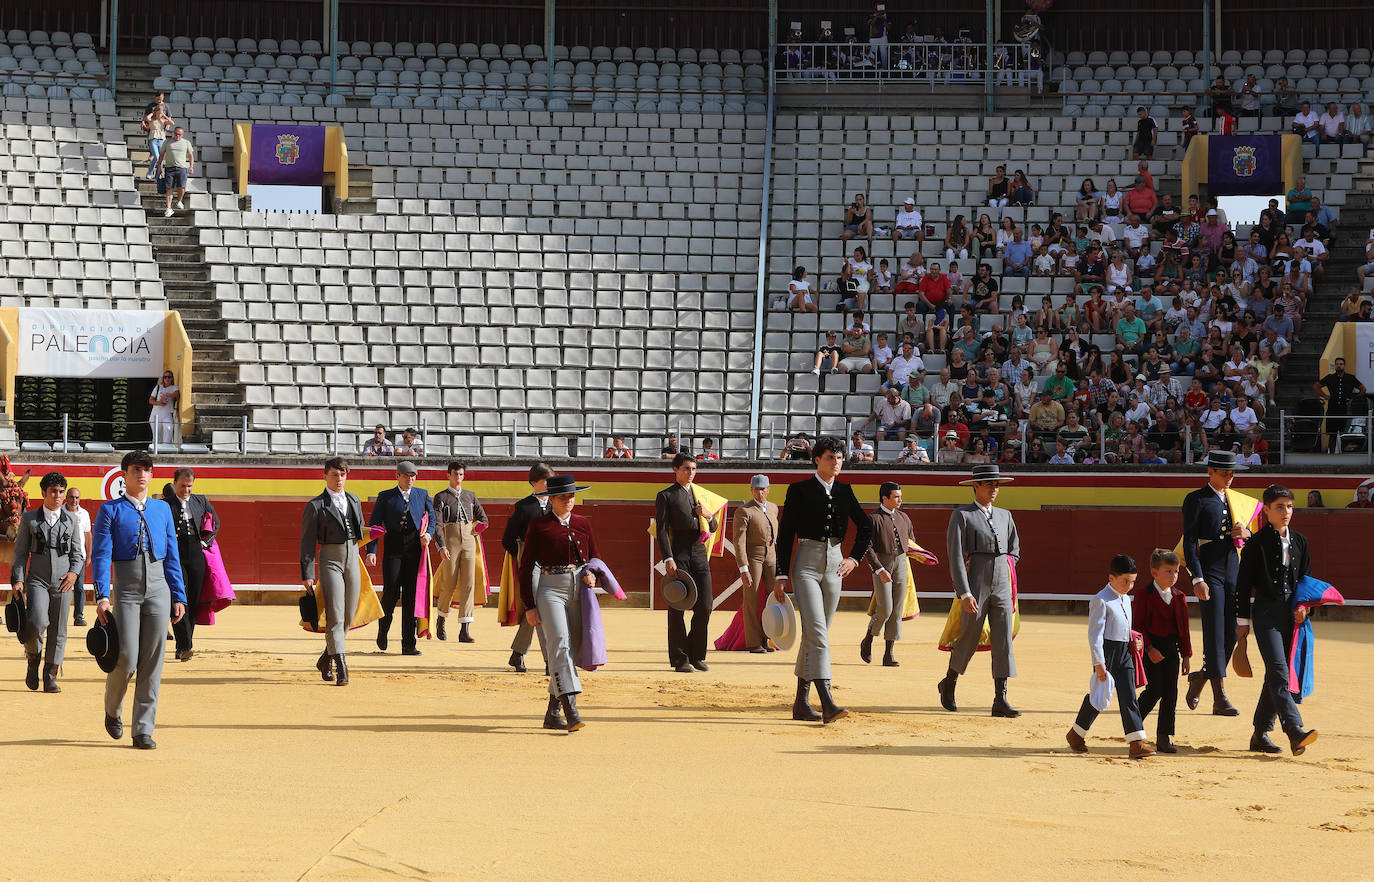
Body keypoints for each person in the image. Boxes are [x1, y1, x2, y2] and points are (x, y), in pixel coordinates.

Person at [92, 451, 187, 750]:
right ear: (124, 475)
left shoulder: (162, 510)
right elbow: (101, 554)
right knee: (127, 657)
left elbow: (172, 554)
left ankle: (143, 729)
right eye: (136, 470)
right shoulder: (110, 510)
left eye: (146, 470)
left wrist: (178, 595)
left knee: (153, 660)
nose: (142, 474)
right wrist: (102, 596)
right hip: (127, 589)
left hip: (159, 588)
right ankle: (112, 710)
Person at [774, 436, 873, 724]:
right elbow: (786, 534)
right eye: (831, 457)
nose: (836, 462)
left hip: (834, 565)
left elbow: (865, 526)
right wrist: (781, 574)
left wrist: (854, 558)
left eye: (840, 457)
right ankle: (827, 701)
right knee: (817, 631)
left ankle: (801, 704)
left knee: (817, 635)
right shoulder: (799, 490)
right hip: (805, 563)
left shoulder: (844, 490)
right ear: (817, 459)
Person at [1236, 485, 1319, 756]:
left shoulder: (1301, 541)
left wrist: (1306, 609)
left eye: (1290, 506)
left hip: (1290, 616)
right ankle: (1295, 731)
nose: (1286, 512)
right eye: (1280, 507)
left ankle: (1260, 734)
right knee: (1280, 674)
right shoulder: (1256, 544)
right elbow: (1242, 586)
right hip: (1266, 615)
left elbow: (1305, 582)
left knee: (1274, 675)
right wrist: (1242, 622)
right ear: (1267, 510)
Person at [518, 474, 601, 732]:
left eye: (571, 496)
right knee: (559, 643)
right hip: (549, 589)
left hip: (578, 590)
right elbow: (526, 567)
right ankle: (571, 709)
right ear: (550, 499)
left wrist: (592, 573)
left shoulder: (582, 523)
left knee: (572, 648)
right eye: (563, 497)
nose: (568, 501)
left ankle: (552, 712)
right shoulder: (539, 526)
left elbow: (595, 557)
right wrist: (529, 606)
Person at [939, 463, 1021, 718]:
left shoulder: (1005, 515)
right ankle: (950, 681)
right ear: (976, 486)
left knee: (1003, 639)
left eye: (996, 484)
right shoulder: (962, 515)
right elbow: (955, 557)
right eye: (989, 484)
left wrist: (1005, 569)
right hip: (976, 579)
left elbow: (1014, 550)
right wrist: (964, 592)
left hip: (1002, 581)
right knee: (970, 636)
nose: (994, 488)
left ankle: (1000, 699)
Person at [1181, 450, 1251, 717]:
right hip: (1210, 569)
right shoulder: (1196, 499)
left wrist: (1247, 533)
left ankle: (1202, 676)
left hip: (1234, 567)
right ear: (1210, 472)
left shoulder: (1237, 501)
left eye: (1232, 473)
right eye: (1225, 473)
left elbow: (1254, 531)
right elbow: (1189, 542)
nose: (1230, 477)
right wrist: (1196, 577)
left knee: (1232, 629)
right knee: (1214, 630)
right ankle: (1219, 696)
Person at [1065, 554, 1154, 759]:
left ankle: (1136, 743)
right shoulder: (1100, 600)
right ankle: (1076, 734)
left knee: (1129, 696)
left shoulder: (1125, 598)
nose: (1129, 586)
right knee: (1099, 696)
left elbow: (1124, 626)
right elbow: (1095, 635)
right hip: (1107, 653)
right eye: (1125, 581)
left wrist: (1134, 638)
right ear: (1111, 578)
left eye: (1132, 581)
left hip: (1124, 652)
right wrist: (1099, 662)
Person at [11, 471, 84, 693]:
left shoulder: (71, 519)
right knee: (35, 621)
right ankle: (33, 660)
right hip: (38, 580)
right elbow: (21, 553)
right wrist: (17, 580)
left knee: (59, 629)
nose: (59, 496)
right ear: (44, 493)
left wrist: (73, 573)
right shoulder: (29, 518)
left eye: (62, 492)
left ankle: (50, 674)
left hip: (63, 582)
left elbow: (77, 554)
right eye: (54, 491)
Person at [299, 457, 367, 685]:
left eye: (343, 475)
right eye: (335, 475)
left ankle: (324, 659)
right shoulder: (316, 505)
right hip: (330, 560)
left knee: (348, 616)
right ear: (325, 475)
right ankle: (342, 667)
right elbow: (307, 541)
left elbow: (360, 531)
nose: (339, 479)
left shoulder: (354, 500)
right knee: (336, 616)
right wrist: (307, 573)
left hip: (353, 558)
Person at [366, 461, 440, 656]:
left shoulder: (422, 494)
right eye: (406, 476)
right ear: (397, 476)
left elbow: (432, 519)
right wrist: (371, 551)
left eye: (413, 476)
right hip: (393, 549)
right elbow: (374, 525)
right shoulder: (385, 496)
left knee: (411, 597)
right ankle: (383, 629)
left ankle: (408, 643)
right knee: (391, 594)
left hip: (415, 549)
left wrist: (429, 535)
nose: (410, 479)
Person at [655, 454, 717, 673]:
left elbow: (714, 527)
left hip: (699, 553)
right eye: (686, 468)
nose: (691, 472)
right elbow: (662, 530)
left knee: (705, 606)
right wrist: (668, 557)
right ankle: (680, 658)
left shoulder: (700, 494)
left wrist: (709, 516)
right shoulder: (666, 495)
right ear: (675, 469)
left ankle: (696, 654)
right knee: (677, 606)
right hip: (679, 552)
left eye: (693, 468)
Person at [1133, 549, 1192, 754]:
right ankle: (1133, 726)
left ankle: (1164, 737)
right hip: (1150, 648)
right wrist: (1149, 648)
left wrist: (1186, 655)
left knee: (1171, 693)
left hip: (1171, 648)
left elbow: (1183, 629)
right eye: (1168, 571)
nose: (1173, 576)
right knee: (1155, 689)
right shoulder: (1143, 594)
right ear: (1154, 572)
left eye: (1176, 572)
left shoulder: (1179, 596)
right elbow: (1138, 625)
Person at [500, 463, 556, 673]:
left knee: (535, 611)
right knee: (540, 609)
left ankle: (517, 654)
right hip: (531, 566)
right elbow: (507, 540)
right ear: (534, 483)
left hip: (553, 566)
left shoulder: (555, 504)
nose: (549, 485)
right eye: (545, 481)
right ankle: (550, 660)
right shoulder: (524, 507)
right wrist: (522, 558)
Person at [161, 468, 218, 662]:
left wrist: (205, 542)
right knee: (179, 597)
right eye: (183, 485)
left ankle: (184, 644)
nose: (186, 489)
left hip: (195, 552)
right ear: (174, 483)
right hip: (174, 553)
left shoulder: (200, 500)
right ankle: (185, 645)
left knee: (193, 600)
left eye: (189, 486)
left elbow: (215, 523)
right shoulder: (164, 504)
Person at [860, 481, 915, 668]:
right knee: (885, 608)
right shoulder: (873, 519)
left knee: (897, 609)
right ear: (885, 498)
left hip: (901, 563)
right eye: (896, 497)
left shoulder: (904, 518)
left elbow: (911, 541)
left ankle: (888, 654)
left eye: (900, 496)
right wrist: (878, 568)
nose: (900, 499)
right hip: (881, 564)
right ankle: (869, 637)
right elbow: (866, 547)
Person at [432, 461, 487, 643]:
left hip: (469, 540)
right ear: (448, 475)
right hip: (451, 540)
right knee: (449, 582)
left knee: (469, 583)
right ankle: (441, 619)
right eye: (455, 474)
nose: (458, 478)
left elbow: (483, 519)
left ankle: (464, 628)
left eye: (461, 475)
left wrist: (475, 530)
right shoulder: (441, 497)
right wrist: (442, 546)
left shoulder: (470, 496)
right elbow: (438, 525)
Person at [731, 475, 779, 654]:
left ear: (768, 489)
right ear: (751, 490)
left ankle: (767, 637)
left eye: (763, 489)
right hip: (753, 557)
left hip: (771, 555)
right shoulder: (744, 511)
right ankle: (753, 642)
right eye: (756, 489)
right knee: (752, 599)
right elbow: (739, 542)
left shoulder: (773, 508)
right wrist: (743, 568)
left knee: (774, 597)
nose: (760, 492)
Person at [1313, 357, 1366, 452]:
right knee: (1332, 435)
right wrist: (1325, 396)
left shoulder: (1350, 378)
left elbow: (1363, 389)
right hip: (1332, 409)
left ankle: (1344, 455)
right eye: (1337, 364)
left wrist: (1354, 398)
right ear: (1335, 366)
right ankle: (1332, 455)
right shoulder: (1330, 377)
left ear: (1344, 366)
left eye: (1341, 364)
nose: (1339, 366)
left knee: (1344, 434)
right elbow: (1316, 386)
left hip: (1345, 409)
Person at [63, 486, 92, 627]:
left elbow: (88, 535)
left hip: (79, 556)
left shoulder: (84, 514)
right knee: (59, 586)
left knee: (79, 587)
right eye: (71, 497)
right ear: (66, 498)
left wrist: (89, 555)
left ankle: (78, 616)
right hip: (61, 556)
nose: (74, 500)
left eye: (77, 497)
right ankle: (58, 616)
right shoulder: (59, 511)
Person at [155, 125, 194, 218]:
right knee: (169, 188)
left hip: (182, 168)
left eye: (179, 134)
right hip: (169, 167)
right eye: (176, 134)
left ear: (182, 134)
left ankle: (179, 200)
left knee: (182, 187)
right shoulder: (167, 142)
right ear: (173, 133)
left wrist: (191, 166)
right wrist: (159, 167)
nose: (177, 136)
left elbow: (191, 155)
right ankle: (168, 208)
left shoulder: (186, 143)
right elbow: (161, 155)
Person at [148, 370, 179, 446]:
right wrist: (159, 403)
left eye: (169, 377)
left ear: (172, 378)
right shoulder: (158, 387)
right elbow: (151, 400)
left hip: (167, 414)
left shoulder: (174, 387)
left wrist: (167, 395)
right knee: (157, 436)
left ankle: (166, 449)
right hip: (156, 414)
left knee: (168, 429)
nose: (167, 379)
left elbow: (177, 394)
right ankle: (156, 451)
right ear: (163, 379)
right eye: (165, 377)